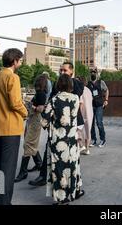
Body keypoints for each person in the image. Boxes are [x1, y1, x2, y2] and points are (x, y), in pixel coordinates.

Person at [29, 61, 84, 187]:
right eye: (61, 70)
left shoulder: (77, 83)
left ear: (71, 71)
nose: (62, 72)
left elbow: (73, 97)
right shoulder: (56, 84)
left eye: (65, 70)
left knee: (70, 155)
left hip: (71, 123)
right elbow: (52, 98)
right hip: (56, 124)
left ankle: (71, 183)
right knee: (50, 150)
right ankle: (44, 176)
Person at [0, 49, 28, 205]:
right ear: (15, 61)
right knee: (8, 169)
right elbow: (15, 103)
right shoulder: (12, 77)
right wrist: (26, 112)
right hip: (9, 129)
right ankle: (4, 202)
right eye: (20, 60)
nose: (21, 63)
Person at [42, 74, 85, 205]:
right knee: (73, 165)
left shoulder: (54, 100)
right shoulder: (76, 98)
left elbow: (44, 122)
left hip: (58, 140)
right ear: (70, 85)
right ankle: (74, 191)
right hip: (71, 139)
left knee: (59, 167)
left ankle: (61, 197)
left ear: (58, 85)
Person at [14, 75, 47, 182]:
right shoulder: (39, 93)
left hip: (36, 119)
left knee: (28, 143)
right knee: (31, 143)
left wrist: (31, 105)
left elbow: (41, 108)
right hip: (32, 119)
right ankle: (39, 164)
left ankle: (23, 172)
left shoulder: (41, 94)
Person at [88, 69, 109, 148]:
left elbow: (106, 90)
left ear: (97, 74)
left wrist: (106, 100)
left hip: (99, 105)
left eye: (94, 72)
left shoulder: (101, 82)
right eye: (91, 72)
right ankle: (93, 139)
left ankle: (102, 139)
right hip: (91, 106)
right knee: (91, 124)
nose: (93, 74)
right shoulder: (88, 83)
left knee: (99, 122)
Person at [79, 76, 94, 155]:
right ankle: (87, 149)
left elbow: (80, 103)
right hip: (90, 113)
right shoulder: (88, 90)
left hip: (83, 113)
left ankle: (81, 146)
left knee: (80, 130)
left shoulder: (80, 91)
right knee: (88, 131)